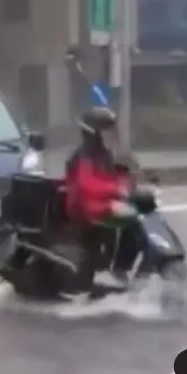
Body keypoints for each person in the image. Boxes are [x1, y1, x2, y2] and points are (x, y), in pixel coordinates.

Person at [64, 106, 138, 290]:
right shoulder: (85, 155)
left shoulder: (104, 154)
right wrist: (115, 189)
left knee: (135, 222)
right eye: (105, 130)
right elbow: (86, 183)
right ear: (93, 133)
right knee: (124, 224)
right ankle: (94, 277)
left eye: (110, 129)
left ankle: (117, 270)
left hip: (102, 205)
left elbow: (120, 175)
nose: (109, 134)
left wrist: (133, 184)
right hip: (84, 207)